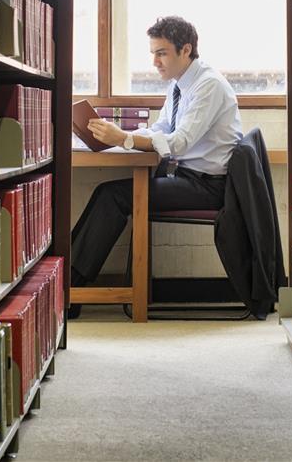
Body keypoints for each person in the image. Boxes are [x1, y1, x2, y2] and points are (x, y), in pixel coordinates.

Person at [69, 16, 241, 308]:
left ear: (186, 50)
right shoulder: (179, 86)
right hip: (187, 177)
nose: (155, 62)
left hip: (208, 186)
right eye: (153, 54)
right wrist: (119, 137)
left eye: (161, 53)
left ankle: (69, 287)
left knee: (111, 196)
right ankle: (69, 281)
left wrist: (124, 138)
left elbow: (179, 142)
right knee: (110, 194)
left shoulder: (207, 86)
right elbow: (162, 129)